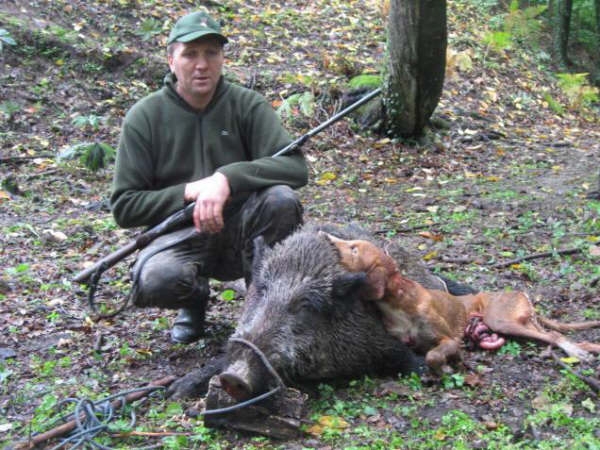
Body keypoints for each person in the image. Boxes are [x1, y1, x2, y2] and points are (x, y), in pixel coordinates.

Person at [110, 11, 309, 344]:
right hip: (179, 235)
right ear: (171, 60)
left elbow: (295, 168)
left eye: (211, 53)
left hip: (242, 229)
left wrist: (226, 178)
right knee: (155, 280)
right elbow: (125, 207)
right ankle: (194, 300)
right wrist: (191, 190)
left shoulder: (247, 105)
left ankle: (259, 308)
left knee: (281, 200)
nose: (201, 65)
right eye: (190, 54)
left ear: (222, 59)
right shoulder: (145, 117)